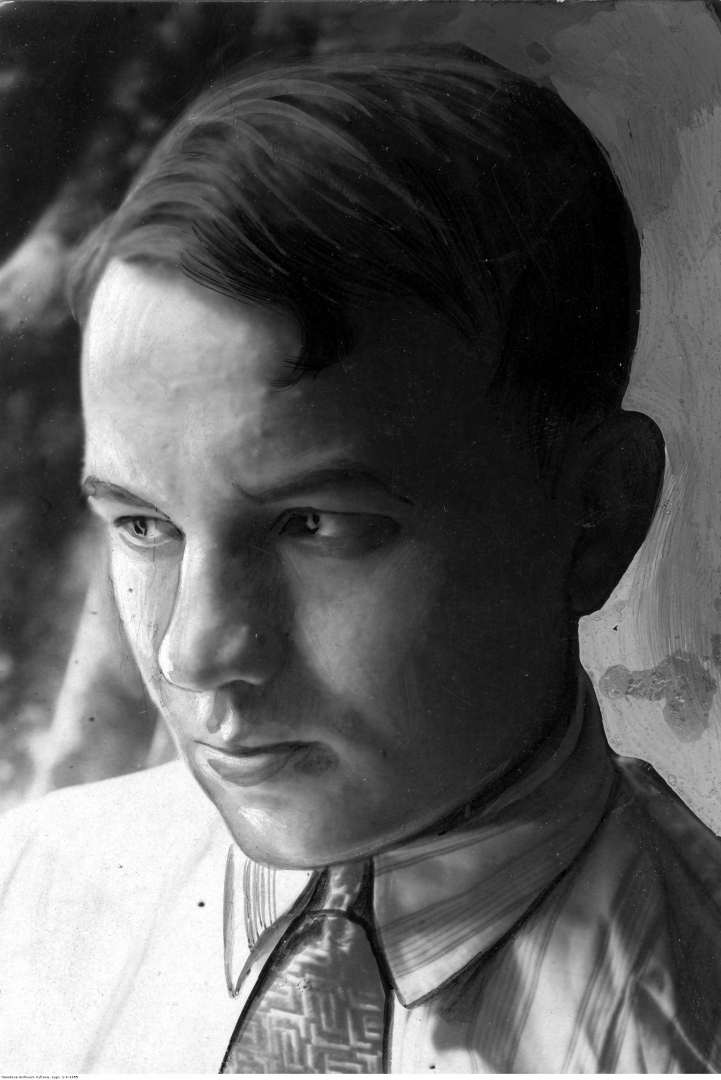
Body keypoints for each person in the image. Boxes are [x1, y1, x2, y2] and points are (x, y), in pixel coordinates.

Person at [1, 47, 721, 1074]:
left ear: (596, 517)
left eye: (315, 525)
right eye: (144, 527)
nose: (191, 653)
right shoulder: (27, 895)